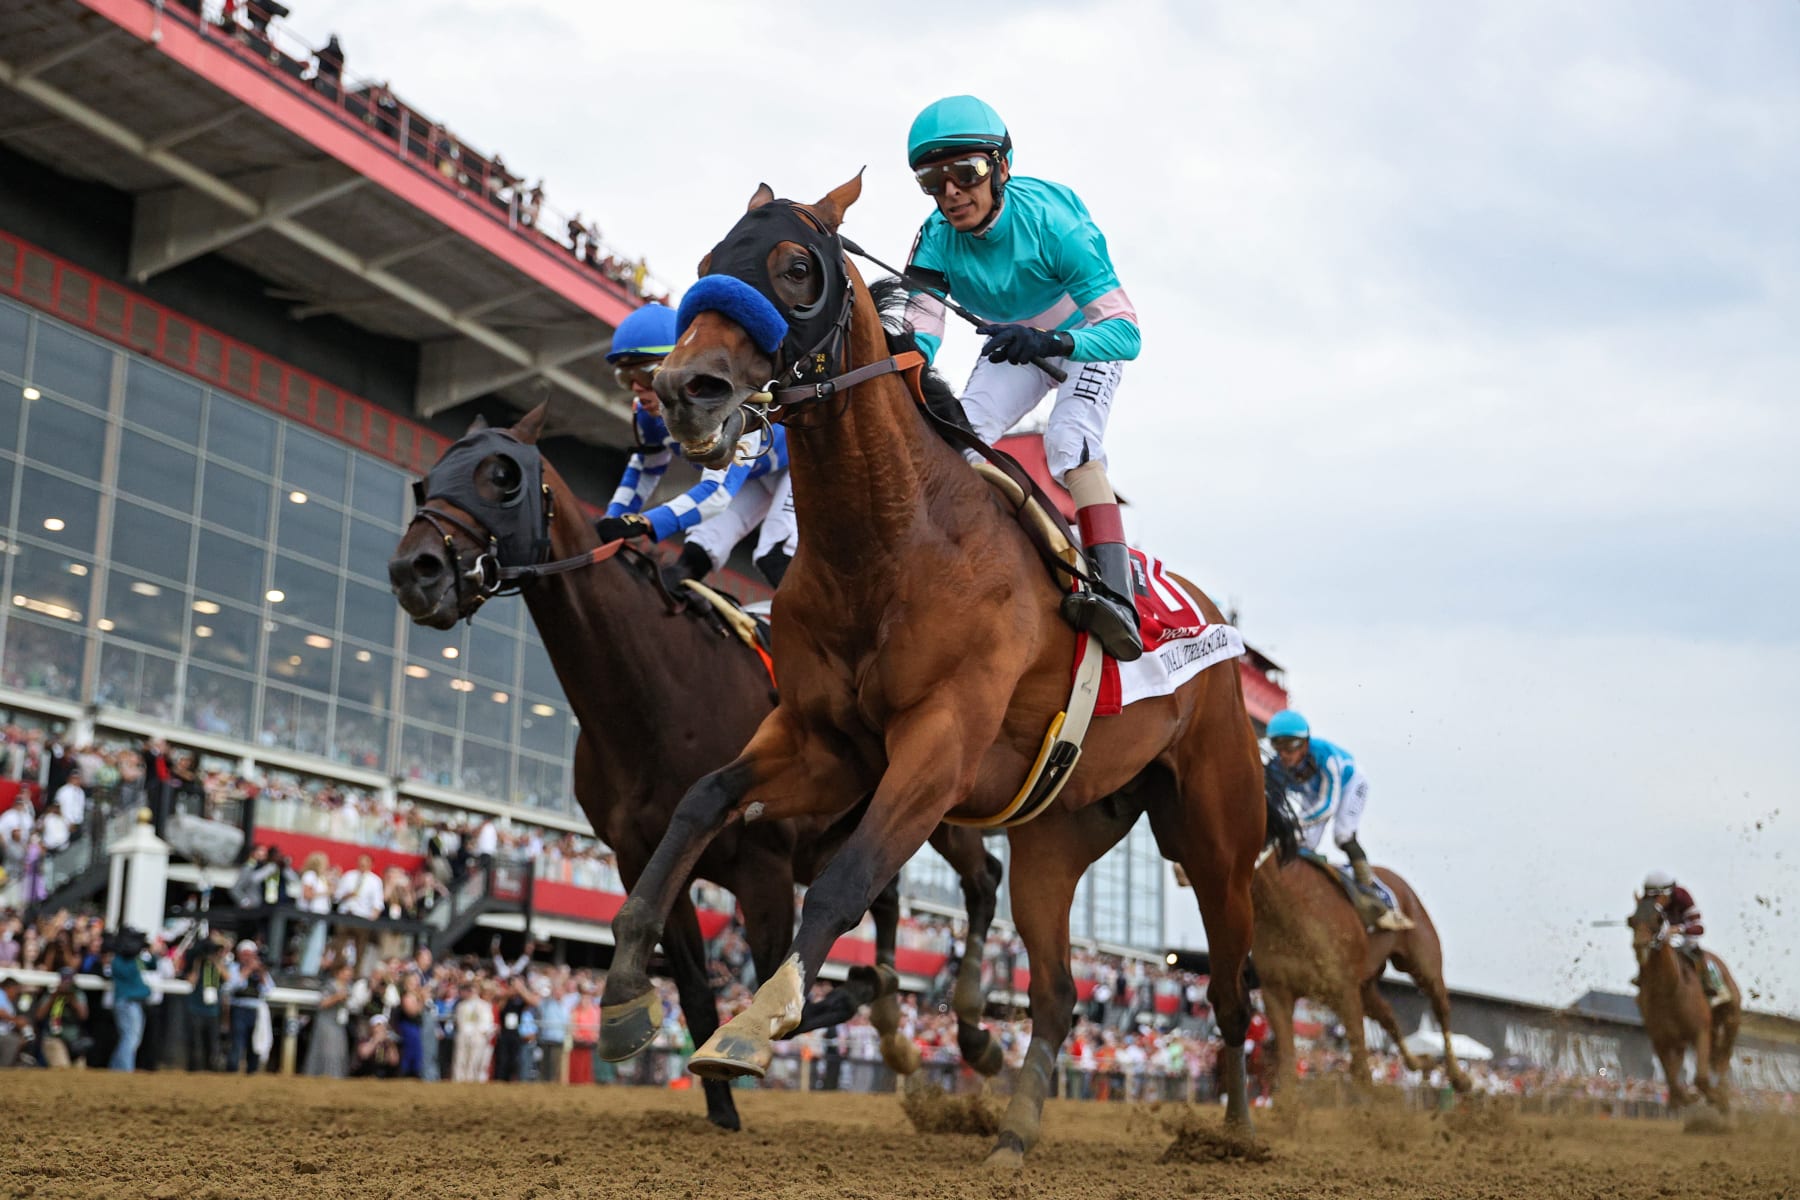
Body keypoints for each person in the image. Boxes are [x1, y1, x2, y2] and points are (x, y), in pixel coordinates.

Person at [901, 95, 1143, 661]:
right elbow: (922, 327)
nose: (952, 193)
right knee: (957, 437)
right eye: (932, 181)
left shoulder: (1056, 224)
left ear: (1001, 167)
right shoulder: (934, 234)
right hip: (1016, 337)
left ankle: (1117, 594)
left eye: (966, 172)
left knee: (1068, 441)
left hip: (1087, 334)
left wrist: (1056, 341)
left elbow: (1127, 332)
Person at [592, 302, 799, 590]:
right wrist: (610, 521)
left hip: (796, 467)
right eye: (626, 378)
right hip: (752, 473)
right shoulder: (645, 415)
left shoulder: (725, 407)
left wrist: (644, 523)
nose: (637, 389)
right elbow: (643, 470)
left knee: (773, 556)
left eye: (645, 375)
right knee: (695, 555)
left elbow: (716, 496)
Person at [1263, 709, 1413, 932]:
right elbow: (1273, 806)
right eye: (1278, 746)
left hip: (1350, 785)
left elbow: (1326, 807)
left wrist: (1294, 823)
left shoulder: (1327, 758)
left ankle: (1370, 888)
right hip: (1315, 793)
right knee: (1302, 843)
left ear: (1305, 743)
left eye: (1290, 746)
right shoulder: (1275, 767)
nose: (1284, 754)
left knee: (1342, 835)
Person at [1642, 871, 1730, 1006]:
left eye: (1656, 896)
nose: (1652, 901)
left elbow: (1699, 927)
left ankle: (1717, 986)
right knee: (1648, 950)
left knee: (1694, 949)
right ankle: (1642, 979)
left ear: (1666, 893)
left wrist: (1679, 929)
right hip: (1663, 935)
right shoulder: (1648, 902)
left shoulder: (1682, 896)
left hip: (1684, 933)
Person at [107, 927, 154, 1071]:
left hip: (131, 1003)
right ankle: (124, 1070)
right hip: (128, 1002)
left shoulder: (132, 960)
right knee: (130, 1038)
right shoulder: (120, 961)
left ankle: (116, 1068)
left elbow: (152, 964)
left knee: (130, 1038)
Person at [183, 936, 227, 1071]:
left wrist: (216, 961)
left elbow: (227, 977)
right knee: (196, 1041)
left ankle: (211, 1068)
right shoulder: (198, 962)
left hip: (212, 1010)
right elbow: (191, 981)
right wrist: (197, 962)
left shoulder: (218, 964)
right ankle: (194, 1068)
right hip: (196, 1008)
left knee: (212, 1042)